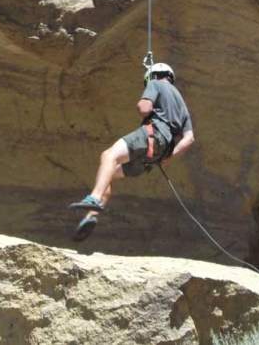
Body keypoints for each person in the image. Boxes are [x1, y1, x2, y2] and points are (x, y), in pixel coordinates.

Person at [68, 63, 195, 241]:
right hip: (156, 155)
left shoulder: (156, 83)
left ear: (154, 76)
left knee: (108, 156)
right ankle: (91, 216)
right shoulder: (182, 105)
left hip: (152, 134)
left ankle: (94, 198)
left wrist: (144, 100)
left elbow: (144, 109)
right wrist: (167, 158)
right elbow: (189, 138)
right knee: (108, 173)